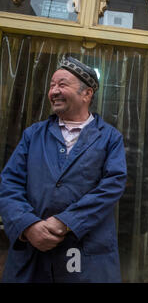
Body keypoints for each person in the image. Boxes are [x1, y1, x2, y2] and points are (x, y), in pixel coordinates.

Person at [0, 56, 127, 282]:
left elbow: (112, 186)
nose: (54, 91)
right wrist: (28, 225)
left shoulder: (109, 138)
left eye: (62, 84)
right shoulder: (33, 135)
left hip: (85, 253)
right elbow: (9, 183)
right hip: (33, 250)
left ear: (86, 94)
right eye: (52, 86)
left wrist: (67, 221)